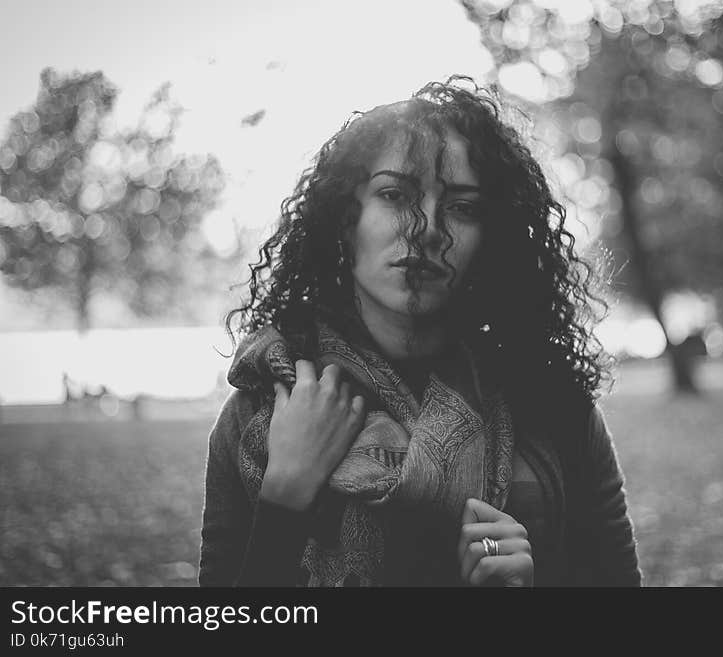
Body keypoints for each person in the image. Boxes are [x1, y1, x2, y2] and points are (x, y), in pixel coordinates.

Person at [198, 77, 641, 587]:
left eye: (462, 206)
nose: (427, 227)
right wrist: (283, 497)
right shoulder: (261, 413)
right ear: (346, 220)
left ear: (491, 237)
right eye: (394, 194)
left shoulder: (556, 409)